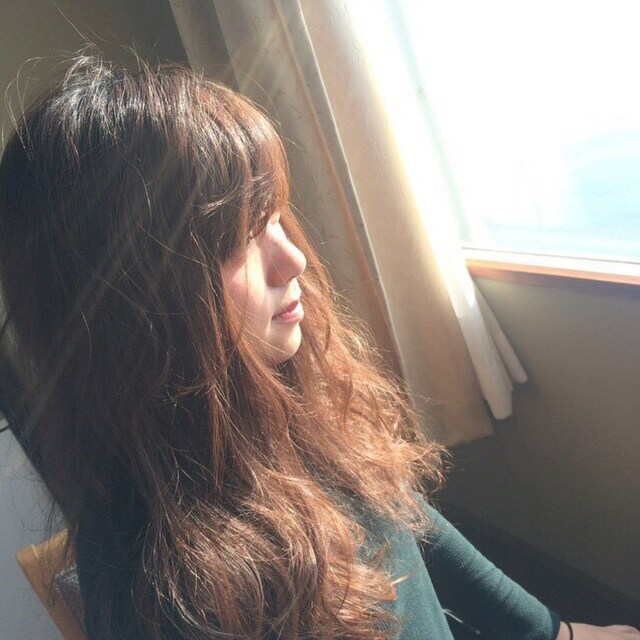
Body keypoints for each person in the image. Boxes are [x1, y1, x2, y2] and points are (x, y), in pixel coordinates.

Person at [0, 54, 637, 640]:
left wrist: (552, 630)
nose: (293, 259)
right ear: (132, 309)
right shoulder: (175, 602)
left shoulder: (273, 406)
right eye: (236, 239)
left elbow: (403, 520)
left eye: (274, 216)